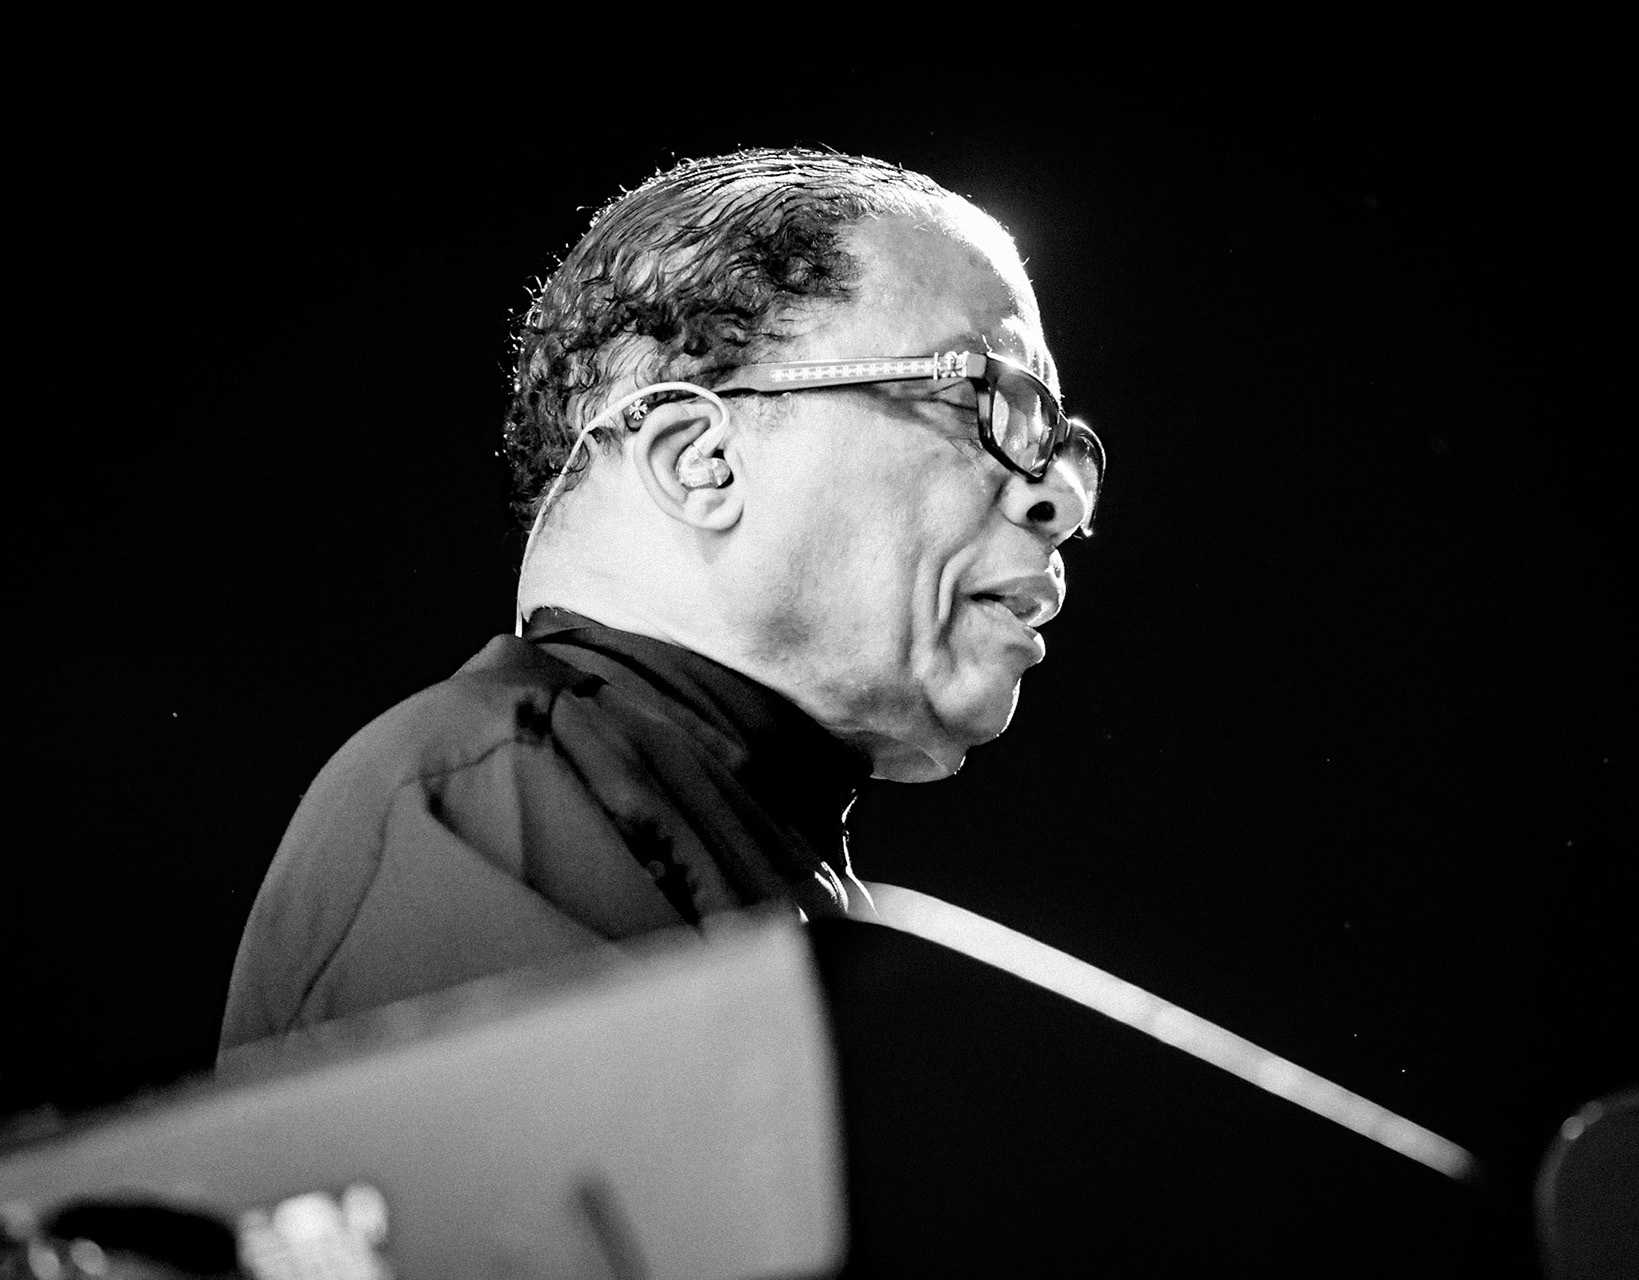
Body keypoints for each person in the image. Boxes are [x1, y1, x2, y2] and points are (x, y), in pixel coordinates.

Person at [217, 149, 1103, 1065]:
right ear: (697, 460)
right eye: (978, 397)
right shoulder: (484, 800)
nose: (1058, 499)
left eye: (1055, 438)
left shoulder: (709, 833)